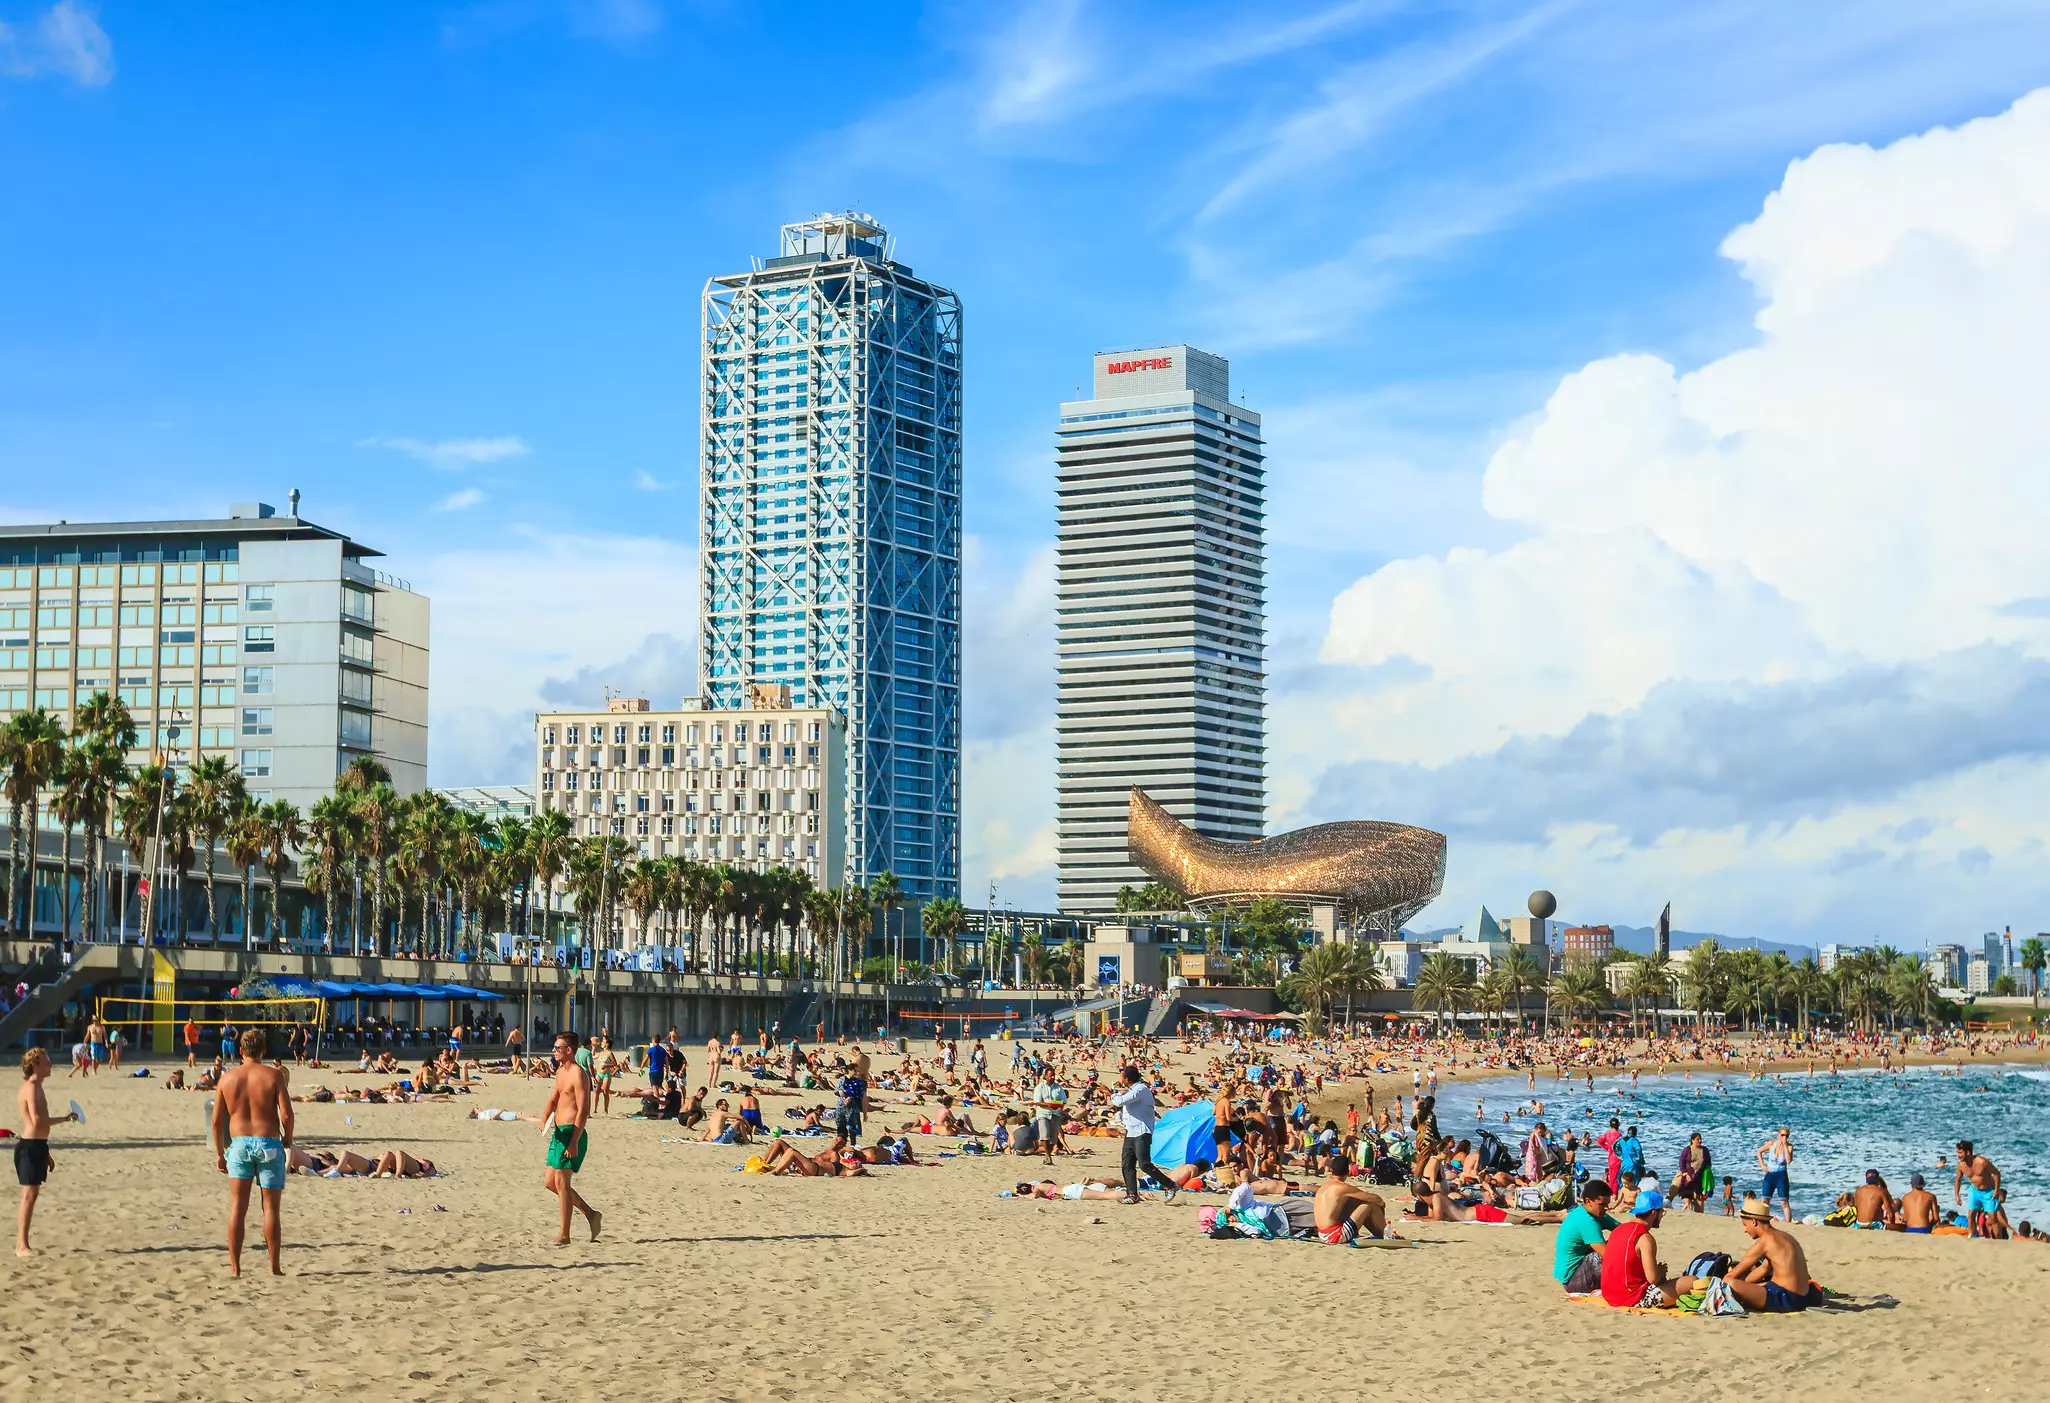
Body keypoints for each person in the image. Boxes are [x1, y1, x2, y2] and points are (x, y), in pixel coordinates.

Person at [211, 1028, 294, 1277]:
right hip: (268, 1142)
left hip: (238, 1146)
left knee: (237, 1207)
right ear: (264, 1050)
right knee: (270, 1209)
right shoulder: (273, 1076)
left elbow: (216, 1122)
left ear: (240, 1050)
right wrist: (287, 1140)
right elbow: (287, 1115)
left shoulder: (227, 1079)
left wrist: (219, 1153)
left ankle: (236, 1268)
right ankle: (274, 1267)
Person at [539, 1031, 602, 1245]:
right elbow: (555, 1096)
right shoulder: (560, 1072)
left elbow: (583, 1110)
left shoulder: (578, 1074)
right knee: (550, 1182)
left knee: (562, 1183)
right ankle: (591, 1214)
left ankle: (565, 1234)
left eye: (557, 1048)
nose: (553, 1051)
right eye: (554, 1047)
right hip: (559, 1133)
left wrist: (574, 1140)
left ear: (569, 1050)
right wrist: (546, 1114)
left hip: (572, 1133)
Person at [15, 1048, 80, 1256]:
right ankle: (21, 1246)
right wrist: (66, 1118)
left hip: (37, 1146)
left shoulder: (38, 1087)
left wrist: (46, 1153)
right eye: (46, 1061)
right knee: (28, 1196)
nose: (50, 1064)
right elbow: (37, 1121)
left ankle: (22, 1244)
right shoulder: (32, 1088)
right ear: (35, 1065)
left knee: (32, 1195)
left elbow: (40, 1127)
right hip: (29, 1146)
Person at [1599, 1188, 1697, 1309]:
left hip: (1609, 1294)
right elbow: (1653, 1279)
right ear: (1653, 1213)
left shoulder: (1619, 1229)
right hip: (1630, 1298)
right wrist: (1660, 1273)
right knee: (1691, 1281)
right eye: (1661, 1212)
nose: (1662, 1215)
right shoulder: (1644, 1238)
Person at [1725, 1195, 1823, 1312]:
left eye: (1745, 1225)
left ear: (1754, 1222)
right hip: (1806, 1297)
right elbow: (1764, 1269)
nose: (1745, 1230)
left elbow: (1730, 1278)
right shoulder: (1785, 1236)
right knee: (1752, 1285)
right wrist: (1746, 1286)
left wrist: (1736, 1285)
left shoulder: (1764, 1242)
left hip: (1787, 1298)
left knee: (1729, 1284)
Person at [1109, 1065, 1176, 1205]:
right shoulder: (1132, 1090)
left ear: (1127, 1078)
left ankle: (1170, 1185)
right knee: (1127, 1164)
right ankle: (1132, 1195)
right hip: (1131, 1132)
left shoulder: (1140, 1089)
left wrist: (1113, 1092)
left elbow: (1119, 1101)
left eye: (1122, 1076)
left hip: (1142, 1131)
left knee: (1145, 1164)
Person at [1553, 1179, 1618, 1293]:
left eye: (1607, 1204)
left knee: (1620, 1241)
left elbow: (1622, 1230)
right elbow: (1608, 1255)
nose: (1606, 1208)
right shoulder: (1586, 1221)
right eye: (1602, 1204)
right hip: (1573, 1280)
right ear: (1588, 1201)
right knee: (1611, 1252)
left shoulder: (1592, 1213)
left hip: (1575, 1272)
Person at [1312, 1152, 1393, 1243]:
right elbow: (1377, 1199)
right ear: (1348, 1172)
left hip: (1323, 1234)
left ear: (1331, 1170)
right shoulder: (1342, 1187)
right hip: (1335, 1235)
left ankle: (1378, 1233)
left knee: (1353, 1204)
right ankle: (1387, 1235)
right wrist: (1382, 1207)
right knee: (1369, 1205)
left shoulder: (1324, 1186)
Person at [1953, 1140, 2005, 1238]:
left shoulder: (1982, 1162)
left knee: (1993, 1217)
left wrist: (1996, 1190)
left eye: (1960, 1153)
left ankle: (1999, 1240)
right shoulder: (1961, 1165)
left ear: (1968, 1152)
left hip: (1988, 1191)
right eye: (1957, 1152)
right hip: (1974, 1190)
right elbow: (1958, 1179)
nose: (1958, 1155)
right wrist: (1956, 1195)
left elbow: (1996, 1173)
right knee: (1971, 1214)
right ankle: (1972, 1235)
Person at [1672, 1132, 1712, 1212]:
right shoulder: (1687, 1150)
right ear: (1692, 1140)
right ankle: (1687, 1208)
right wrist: (1685, 1174)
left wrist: (1707, 1176)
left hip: (1700, 1179)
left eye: (1701, 1139)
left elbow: (1708, 1163)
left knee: (1699, 1205)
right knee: (1685, 1194)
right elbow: (1681, 1162)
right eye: (1697, 1139)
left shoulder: (1705, 1150)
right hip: (1688, 1178)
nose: (1700, 1141)